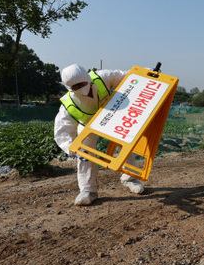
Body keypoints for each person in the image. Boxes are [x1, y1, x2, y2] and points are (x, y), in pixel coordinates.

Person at [54, 64, 145, 206]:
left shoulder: (103, 78)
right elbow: (62, 131)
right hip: (88, 126)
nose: (80, 88)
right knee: (84, 151)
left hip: (112, 116)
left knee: (125, 143)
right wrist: (72, 149)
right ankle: (88, 190)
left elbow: (128, 76)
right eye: (75, 87)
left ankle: (130, 178)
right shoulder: (69, 103)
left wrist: (147, 74)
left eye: (82, 84)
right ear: (69, 88)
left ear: (87, 78)